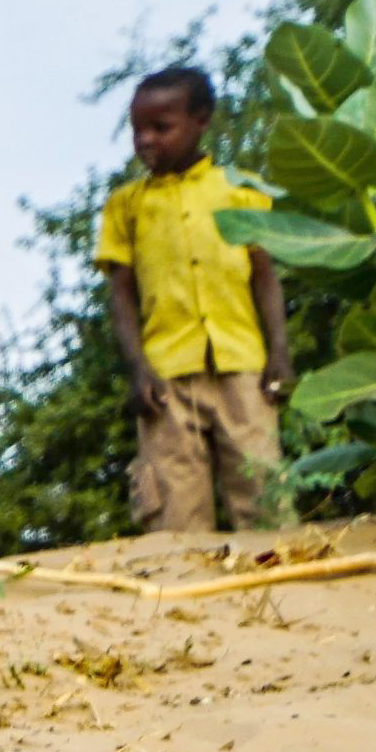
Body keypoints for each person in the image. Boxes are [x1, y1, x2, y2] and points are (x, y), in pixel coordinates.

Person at [95, 64, 291, 535]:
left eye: (160, 128)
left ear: (201, 121)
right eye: (137, 130)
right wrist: (138, 365)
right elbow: (121, 293)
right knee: (174, 514)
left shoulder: (241, 193)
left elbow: (265, 277)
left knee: (264, 494)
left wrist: (279, 354)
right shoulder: (126, 206)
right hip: (167, 376)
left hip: (243, 365)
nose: (145, 141)